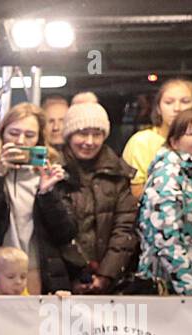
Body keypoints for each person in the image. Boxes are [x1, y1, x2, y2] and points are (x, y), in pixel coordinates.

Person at [0, 103, 76, 295]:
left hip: (38, 271)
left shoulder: (54, 174)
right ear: (2, 135)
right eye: (13, 133)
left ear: (39, 139)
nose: (20, 140)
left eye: (29, 135)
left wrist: (47, 192)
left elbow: (66, 232)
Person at [136, 106, 192, 295]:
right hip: (170, 295)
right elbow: (166, 242)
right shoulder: (167, 176)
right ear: (175, 142)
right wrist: (191, 294)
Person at [57, 101, 139, 294]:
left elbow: (125, 228)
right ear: (69, 135)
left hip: (109, 283)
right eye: (82, 133)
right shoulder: (54, 173)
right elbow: (53, 232)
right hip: (61, 282)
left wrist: (105, 275)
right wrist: (76, 275)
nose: (90, 141)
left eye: (97, 134)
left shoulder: (118, 173)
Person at [122, 78, 192, 198]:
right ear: (158, 109)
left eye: (185, 101)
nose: (177, 108)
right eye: (169, 102)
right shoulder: (142, 142)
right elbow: (134, 192)